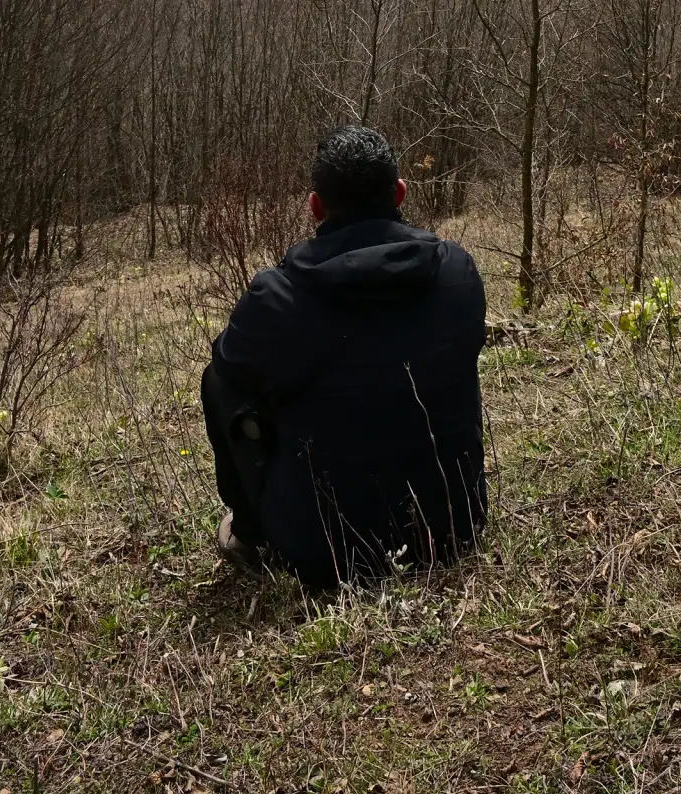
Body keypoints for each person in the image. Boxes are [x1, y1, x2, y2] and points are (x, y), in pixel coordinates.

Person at [201, 124, 487, 588]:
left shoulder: (280, 298)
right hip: (452, 527)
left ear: (315, 205)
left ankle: (250, 533)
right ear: (399, 193)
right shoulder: (457, 271)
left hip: (323, 551)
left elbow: (232, 371)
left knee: (220, 380)